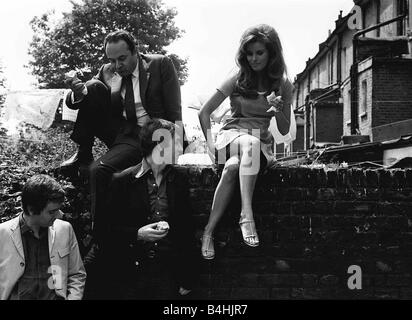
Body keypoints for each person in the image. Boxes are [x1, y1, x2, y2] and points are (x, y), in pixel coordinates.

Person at [61, 30, 182, 257]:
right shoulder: (108, 71)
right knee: (93, 87)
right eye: (111, 59)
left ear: (135, 51)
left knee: (100, 170)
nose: (116, 65)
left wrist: (173, 151)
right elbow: (86, 100)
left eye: (122, 59)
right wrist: (76, 93)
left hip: (152, 136)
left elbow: (175, 111)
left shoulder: (160, 65)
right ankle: (83, 153)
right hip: (123, 133)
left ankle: (98, 242)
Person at [198, 24, 294, 260]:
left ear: (272, 54)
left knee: (232, 168)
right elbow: (204, 112)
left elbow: (283, 128)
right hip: (230, 137)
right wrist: (210, 145)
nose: (253, 58)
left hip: (259, 144)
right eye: (249, 53)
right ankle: (247, 215)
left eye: (259, 52)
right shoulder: (237, 78)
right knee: (247, 145)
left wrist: (279, 108)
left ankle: (208, 232)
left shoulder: (282, 85)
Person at [96, 118, 197, 299]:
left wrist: (187, 276)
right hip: (129, 276)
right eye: (177, 142)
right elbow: (103, 231)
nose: (182, 148)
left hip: (167, 274)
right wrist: (137, 234)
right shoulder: (122, 181)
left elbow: (187, 230)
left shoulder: (179, 180)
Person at [0, 175, 86, 300]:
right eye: (52, 212)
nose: (59, 215)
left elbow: (77, 274)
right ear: (31, 210)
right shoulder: (3, 233)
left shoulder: (65, 229)